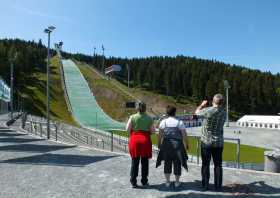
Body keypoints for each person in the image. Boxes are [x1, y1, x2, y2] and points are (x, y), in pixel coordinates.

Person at [195, 94, 226, 191]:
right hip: (218, 142)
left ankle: (205, 185)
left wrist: (202, 105)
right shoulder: (224, 112)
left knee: (205, 164)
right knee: (218, 165)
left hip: (206, 141)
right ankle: (218, 186)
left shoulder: (208, 110)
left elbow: (196, 114)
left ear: (213, 101)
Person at [156, 105, 189, 188]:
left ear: (167, 112)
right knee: (177, 163)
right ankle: (177, 182)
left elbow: (160, 135)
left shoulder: (164, 122)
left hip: (166, 145)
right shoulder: (179, 122)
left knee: (167, 162)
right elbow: (184, 135)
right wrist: (187, 144)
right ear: (175, 112)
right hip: (177, 146)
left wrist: (159, 143)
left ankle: (167, 182)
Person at [126, 102, 154, 188]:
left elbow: (127, 129)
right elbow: (153, 131)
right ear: (145, 108)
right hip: (145, 141)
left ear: (137, 108)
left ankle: (133, 181)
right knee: (145, 162)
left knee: (135, 162)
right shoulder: (149, 118)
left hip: (135, 141)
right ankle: (144, 181)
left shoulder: (132, 117)